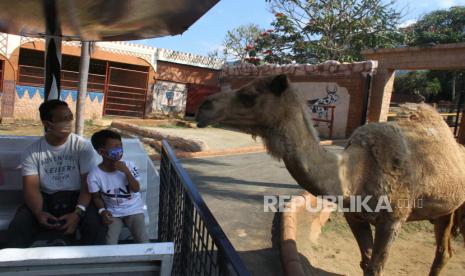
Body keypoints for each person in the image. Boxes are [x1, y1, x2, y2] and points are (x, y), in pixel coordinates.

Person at [7, 100, 107, 247]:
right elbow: (32, 189)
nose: (68, 122)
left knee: (96, 225)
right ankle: (17, 266)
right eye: (62, 119)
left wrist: (77, 214)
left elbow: (87, 185)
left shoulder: (81, 147)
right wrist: (38, 213)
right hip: (46, 199)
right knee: (19, 226)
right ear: (47, 124)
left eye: (70, 117)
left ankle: (90, 265)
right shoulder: (32, 152)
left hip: (77, 198)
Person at [88, 130, 149, 245]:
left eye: (120, 145)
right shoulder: (94, 175)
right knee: (109, 243)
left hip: (134, 210)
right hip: (113, 213)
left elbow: (136, 189)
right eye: (115, 146)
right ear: (101, 151)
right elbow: (96, 197)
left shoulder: (130, 166)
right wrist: (102, 211)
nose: (120, 149)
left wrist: (127, 172)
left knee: (143, 240)